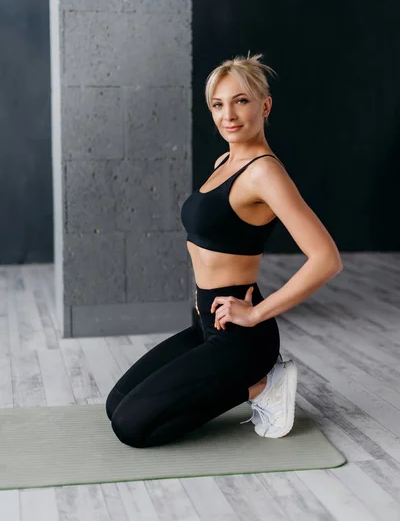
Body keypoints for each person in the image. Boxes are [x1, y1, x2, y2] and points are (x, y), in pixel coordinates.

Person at [105, 53, 343, 448]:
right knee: (116, 405)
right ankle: (252, 383)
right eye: (218, 104)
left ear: (264, 105)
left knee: (131, 427)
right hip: (206, 324)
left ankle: (262, 387)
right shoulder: (225, 161)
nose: (228, 114)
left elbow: (326, 259)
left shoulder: (264, 172)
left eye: (241, 101)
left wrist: (256, 313)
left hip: (241, 336)